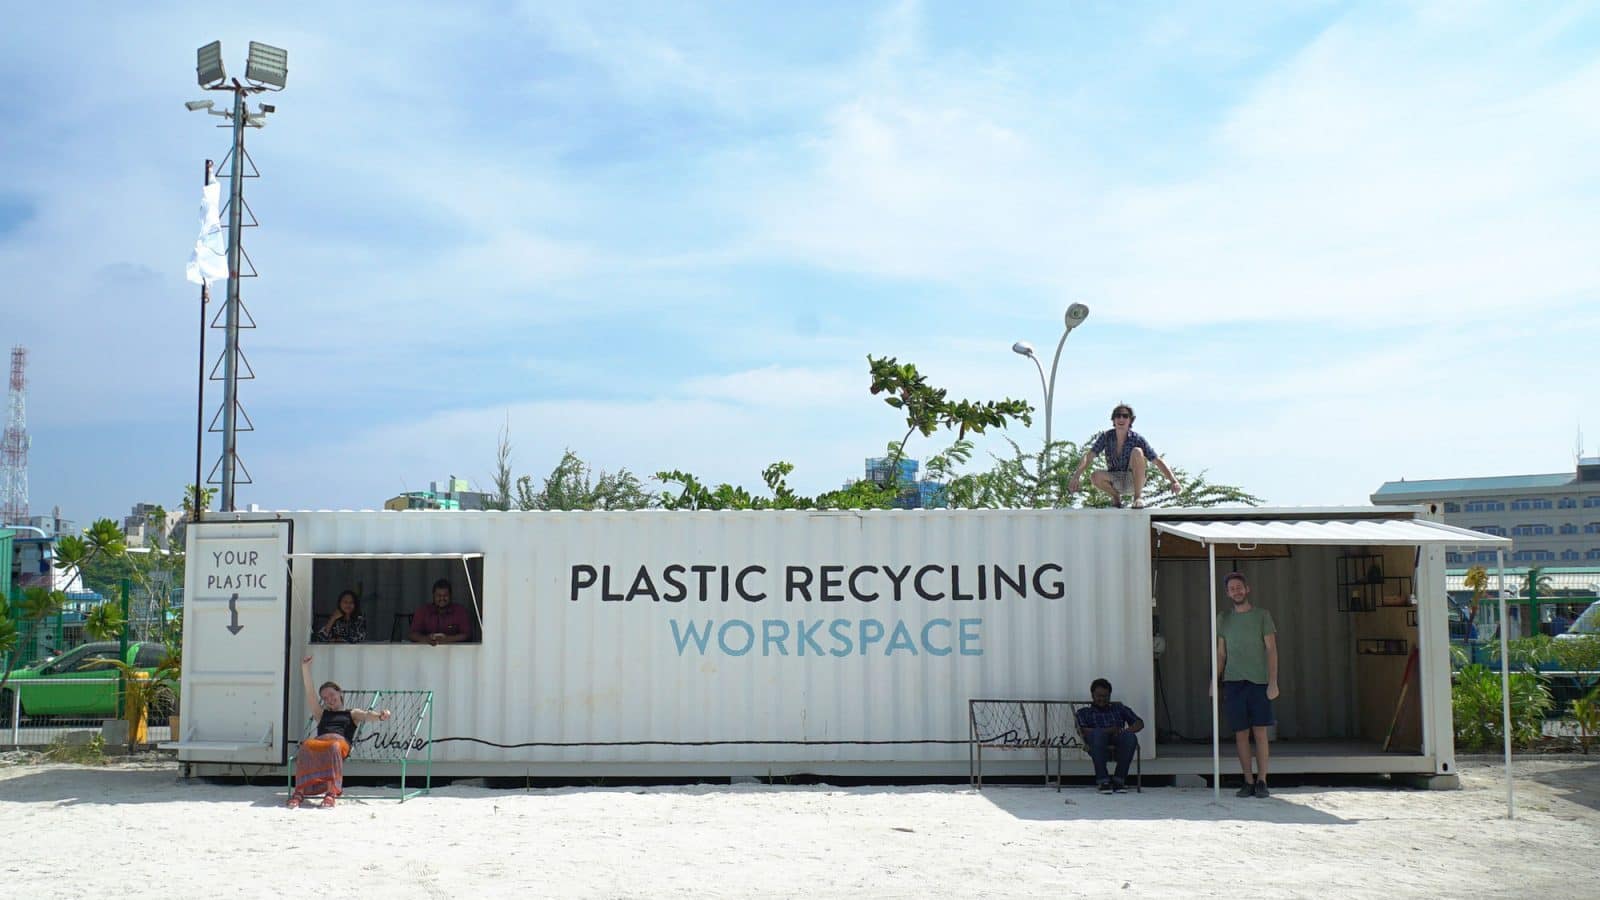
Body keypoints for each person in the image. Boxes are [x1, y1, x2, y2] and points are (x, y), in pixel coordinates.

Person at [289, 655, 390, 809]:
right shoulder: (321, 714)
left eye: (331, 694)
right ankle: (299, 793)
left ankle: (331, 793)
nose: (329, 699)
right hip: (321, 743)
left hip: (339, 744)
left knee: (334, 746)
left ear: (340, 693)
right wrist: (305, 668)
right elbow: (310, 692)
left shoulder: (351, 713)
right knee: (306, 745)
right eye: (325, 698)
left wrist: (380, 716)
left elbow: (367, 715)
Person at [1214, 572, 1279, 798]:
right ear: (1227, 593)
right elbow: (1221, 653)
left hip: (1259, 681)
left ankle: (1262, 780)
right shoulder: (1223, 618)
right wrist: (1215, 679)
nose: (1236, 591)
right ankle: (1248, 781)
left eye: (1239, 587)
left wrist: (1273, 682)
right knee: (1240, 734)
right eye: (1232, 589)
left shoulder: (1262, 616)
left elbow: (1271, 649)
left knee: (1260, 732)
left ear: (1247, 589)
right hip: (1234, 682)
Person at [1067, 403, 1181, 509]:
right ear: (1113, 420)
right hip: (1115, 479)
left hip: (1133, 479)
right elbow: (1089, 456)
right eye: (1118, 416)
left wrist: (1173, 481)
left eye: (1125, 416)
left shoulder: (1137, 439)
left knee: (1137, 452)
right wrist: (1076, 476)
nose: (1121, 419)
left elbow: (1157, 460)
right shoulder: (1106, 436)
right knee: (1095, 476)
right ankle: (1115, 497)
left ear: (1130, 420)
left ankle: (1137, 498)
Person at [1075, 677, 1143, 793]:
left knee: (1130, 737)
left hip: (1117, 738)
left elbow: (1139, 723)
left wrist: (1127, 731)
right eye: (1099, 696)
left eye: (1105, 696)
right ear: (1092, 695)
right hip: (1096, 742)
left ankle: (1119, 780)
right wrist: (1109, 730)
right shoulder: (1084, 712)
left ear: (1110, 695)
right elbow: (1082, 731)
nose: (1102, 699)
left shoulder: (1118, 708)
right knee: (1097, 735)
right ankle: (1103, 781)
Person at [409, 578, 473, 645]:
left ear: (451, 596)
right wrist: (426, 639)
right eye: (438, 596)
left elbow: (467, 635)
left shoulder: (460, 611)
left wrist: (447, 639)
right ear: (433, 596)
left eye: (445, 595)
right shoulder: (423, 611)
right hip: (427, 651)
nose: (442, 598)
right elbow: (412, 635)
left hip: (454, 652)